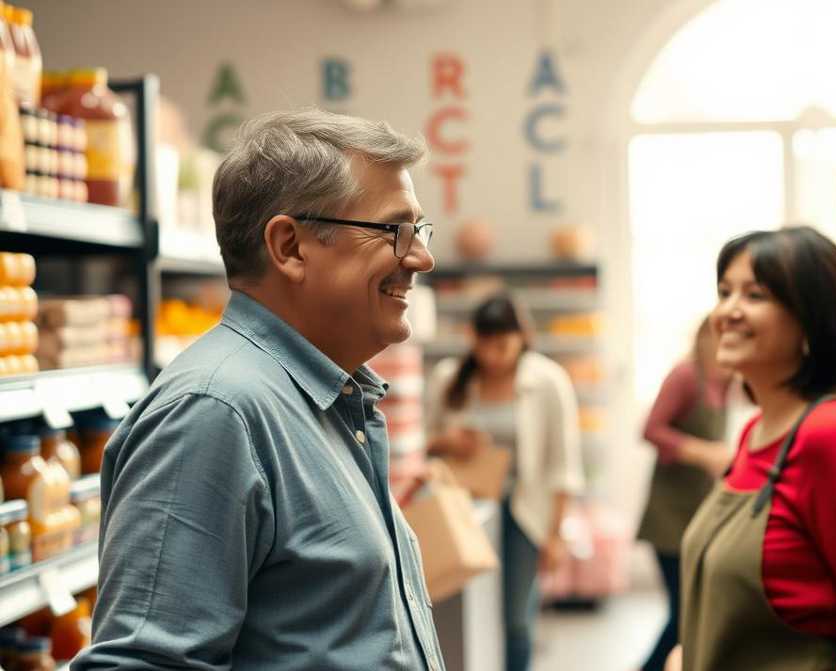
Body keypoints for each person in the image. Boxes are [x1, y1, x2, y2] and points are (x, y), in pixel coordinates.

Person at [72, 110, 446, 671]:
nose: (421, 257)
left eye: (418, 230)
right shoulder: (214, 414)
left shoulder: (325, 402)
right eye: (394, 231)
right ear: (290, 247)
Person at [670, 226, 836, 671]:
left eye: (755, 295)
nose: (727, 312)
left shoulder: (833, 437)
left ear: (812, 319)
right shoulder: (757, 432)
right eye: (724, 292)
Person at [424, 294, 585, 671]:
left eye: (503, 345)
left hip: (524, 511)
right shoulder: (450, 378)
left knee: (515, 617)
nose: (494, 356)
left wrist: (557, 534)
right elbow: (422, 442)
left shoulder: (547, 380)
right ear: (472, 338)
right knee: (463, 613)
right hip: (465, 509)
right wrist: (449, 441)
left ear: (521, 338)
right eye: (485, 345)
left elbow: (564, 464)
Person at [636, 316, 731, 671]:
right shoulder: (687, 376)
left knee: (689, 612)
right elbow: (649, 429)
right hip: (668, 515)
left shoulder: (724, 382)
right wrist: (701, 452)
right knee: (683, 612)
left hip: (698, 511)